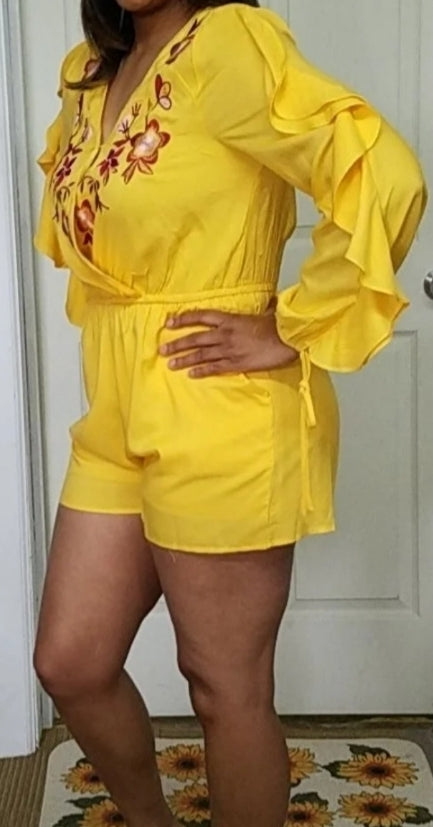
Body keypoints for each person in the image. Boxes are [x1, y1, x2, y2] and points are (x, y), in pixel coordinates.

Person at [32, 1, 427, 826]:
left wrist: (290, 326)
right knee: (71, 660)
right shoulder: (90, 69)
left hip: (219, 405)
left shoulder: (227, 43)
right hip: (117, 402)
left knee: (223, 684)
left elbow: (380, 171)